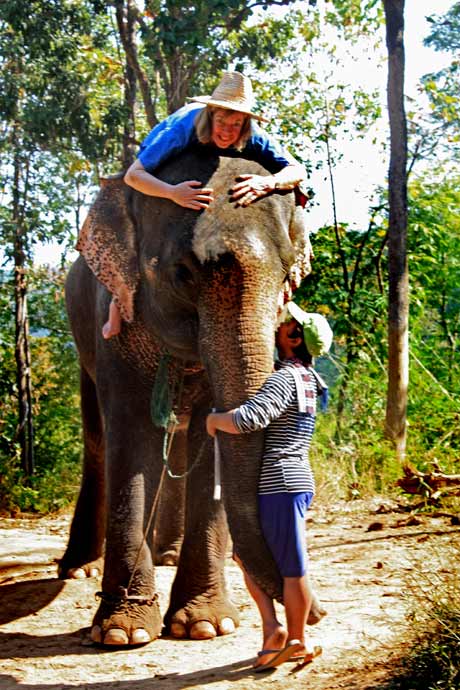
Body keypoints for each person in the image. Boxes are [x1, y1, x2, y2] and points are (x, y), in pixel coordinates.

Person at [102, 70, 309, 338]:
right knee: (131, 220)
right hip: (165, 165)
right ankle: (115, 306)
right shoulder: (182, 129)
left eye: (236, 124)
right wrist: (171, 192)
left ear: (245, 124)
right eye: (222, 121)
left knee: (298, 201)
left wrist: (267, 184)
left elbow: (297, 170)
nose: (227, 130)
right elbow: (134, 175)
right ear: (211, 115)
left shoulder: (253, 135)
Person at [206, 302, 331, 672]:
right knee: (246, 552)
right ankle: (275, 631)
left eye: (285, 324)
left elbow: (250, 418)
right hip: (291, 480)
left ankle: (294, 640)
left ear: (293, 337)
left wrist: (214, 420)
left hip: (281, 482)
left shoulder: (285, 378)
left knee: (292, 565)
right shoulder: (310, 378)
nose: (278, 326)